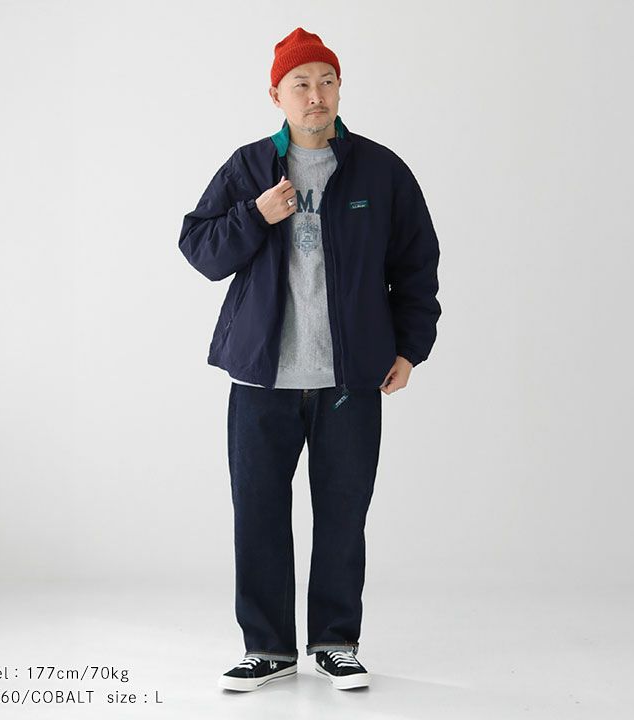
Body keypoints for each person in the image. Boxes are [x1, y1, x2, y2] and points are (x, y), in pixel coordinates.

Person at [178, 26, 441, 692]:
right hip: (261, 377)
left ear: (340, 89)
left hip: (350, 378)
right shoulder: (248, 168)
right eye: (301, 84)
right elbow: (200, 250)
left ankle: (334, 641)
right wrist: (254, 215)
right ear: (277, 95)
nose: (315, 95)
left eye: (326, 81)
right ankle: (267, 648)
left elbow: (417, 264)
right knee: (258, 512)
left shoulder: (380, 170)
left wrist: (410, 348)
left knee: (343, 513)